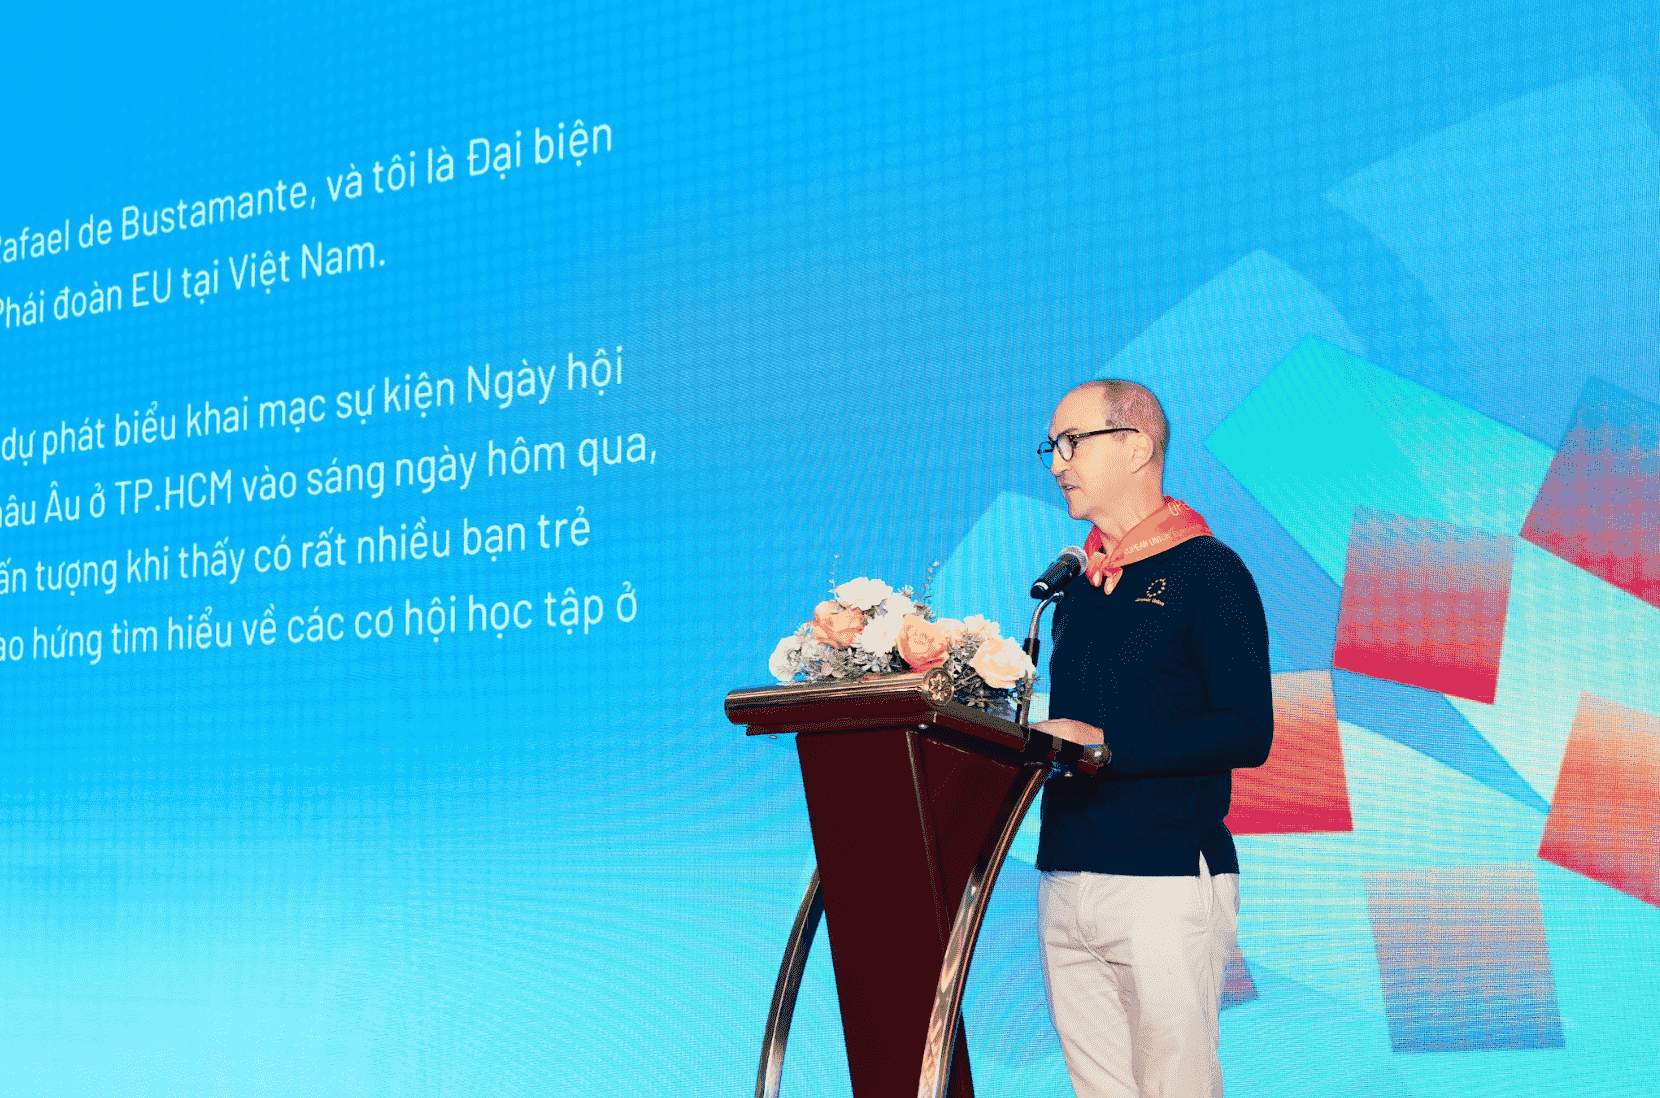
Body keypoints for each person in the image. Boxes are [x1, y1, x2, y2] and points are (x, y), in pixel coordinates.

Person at [1030, 379, 1273, 1098]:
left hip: (1164, 872)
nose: (1057, 464)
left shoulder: (1209, 571)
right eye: (1052, 447)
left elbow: (1247, 730)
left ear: (1136, 445)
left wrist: (1106, 745)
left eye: (1071, 443)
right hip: (1066, 870)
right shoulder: (1074, 587)